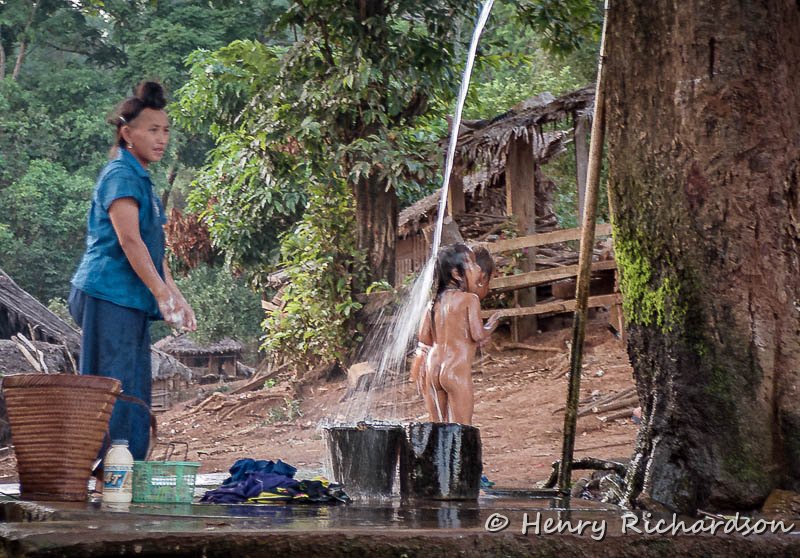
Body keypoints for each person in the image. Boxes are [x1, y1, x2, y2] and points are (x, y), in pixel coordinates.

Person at [69, 81, 196, 463]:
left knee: (135, 384)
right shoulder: (120, 176)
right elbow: (129, 241)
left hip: (131, 299)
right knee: (112, 385)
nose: (162, 139)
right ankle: (105, 471)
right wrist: (160, 294)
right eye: (152, 130)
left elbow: (155, 248)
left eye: (166, 130)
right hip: (107, 294)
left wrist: (175, 296)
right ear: (127, 134)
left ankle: (129, 468)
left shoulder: (142, 179)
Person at [416, 243, 500, 425]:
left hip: (432, 367)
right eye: (472, 264)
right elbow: (478, 334)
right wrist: (491, 325)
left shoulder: (433, 303)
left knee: (436, 427)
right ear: (456, 273)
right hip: (456, 370)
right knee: (462, 428)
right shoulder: (470, 299)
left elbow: (424, 338)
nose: (478, 269)